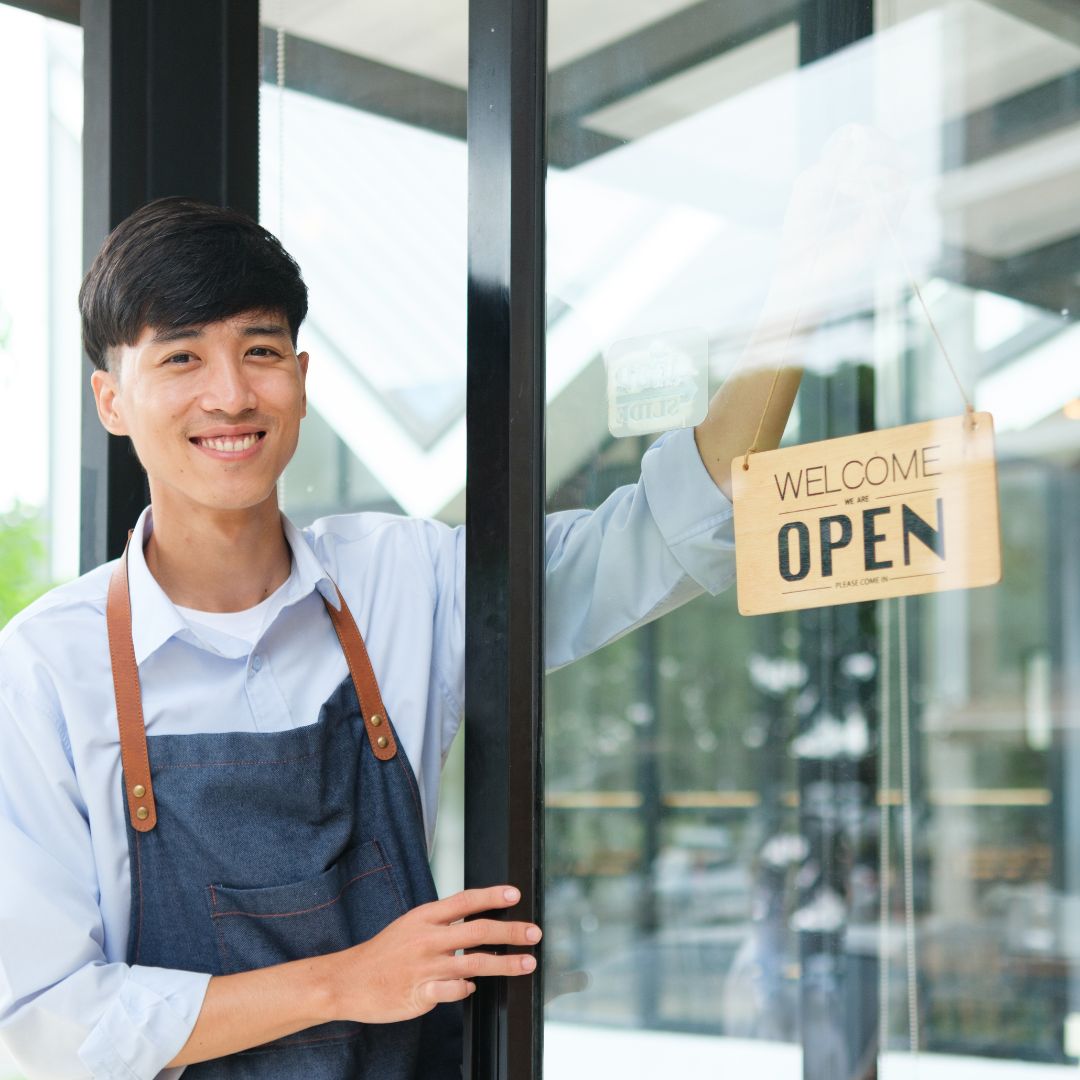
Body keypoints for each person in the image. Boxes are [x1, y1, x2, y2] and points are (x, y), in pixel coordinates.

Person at [0, 193, 810, 1079]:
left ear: (302, 379)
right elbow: (49, 1020)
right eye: (182, 358)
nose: (230, 394)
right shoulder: (46, 667)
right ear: (112, 401)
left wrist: (809, 283)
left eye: (260, 351)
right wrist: (347, 983)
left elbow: (660, 532)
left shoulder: (405, 578)